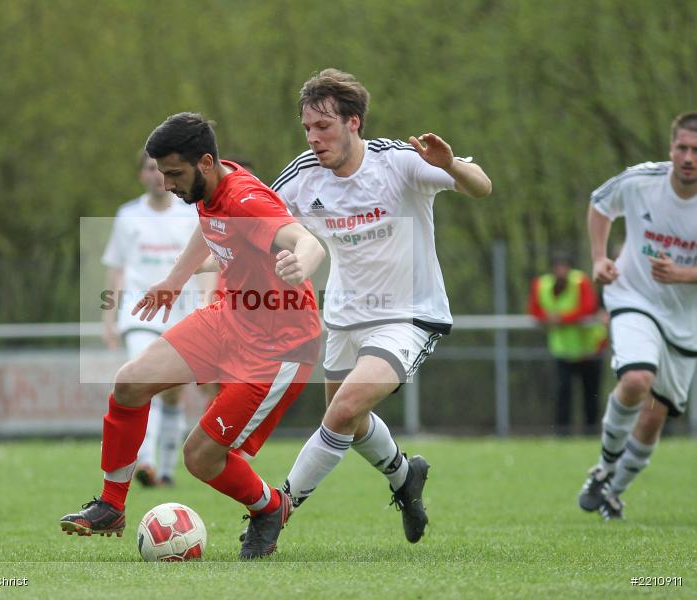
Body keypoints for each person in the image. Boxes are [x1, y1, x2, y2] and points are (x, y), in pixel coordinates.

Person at [61, 112, 326, 560]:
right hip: (231, 318)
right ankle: (112, 504)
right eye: (162, 174)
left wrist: (302, 261)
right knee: (129, 383)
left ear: (205, 162)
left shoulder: (247, 200)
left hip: (278, 345)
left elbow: (307, 240)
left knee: (200, 458)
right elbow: (210, 233)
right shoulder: (209, 190)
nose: (166, 184)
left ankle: (270, 508)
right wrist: (174, 279)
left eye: (174, 174)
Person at [270, 68, 492, 544]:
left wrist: (452, 165)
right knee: (346, 419)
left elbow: (482, 186)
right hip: (346, 316)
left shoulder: (400, 161)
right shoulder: (302, 175)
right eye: (307, 128)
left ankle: (278, 510)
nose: (313, 138)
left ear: (354, 123)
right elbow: (254, 218)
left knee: (343, 409)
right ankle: (403, 477)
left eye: (323, 126)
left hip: (408, 315)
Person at [578, 111, 697, 520]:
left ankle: (614, 491)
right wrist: (598, 258)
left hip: (685, 320)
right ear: (671, 148)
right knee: (636, 379)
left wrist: (684, 274)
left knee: (653, 417)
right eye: (682, 147)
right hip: (634, 297)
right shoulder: (640, 181)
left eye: (696, 151)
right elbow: (599, 205)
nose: (688, 157)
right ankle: (604, 467)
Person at [102, 152, 212, 487]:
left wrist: (206, 301)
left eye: (162, 169)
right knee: (140, 379)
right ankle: (144, 462)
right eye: (150, 169)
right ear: (142, 176)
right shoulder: (128, 216)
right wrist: (108, 316)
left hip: (180, 312)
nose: (157, 175)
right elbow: (117, 269)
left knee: (173, 394)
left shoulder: (190, 213)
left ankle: (164, 471)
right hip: (138, 312)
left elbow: (206, 259)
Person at [527, 253, 608, 435]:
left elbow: (588, 308)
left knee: (591, 394)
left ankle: (591, 431)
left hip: (589, 348)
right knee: (562, 393)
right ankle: (562, 432)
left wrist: (561, 319)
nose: (560, 271)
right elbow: (534, 310)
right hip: (563, 350)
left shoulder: (580, 281)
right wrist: (547, 319)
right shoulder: (542, 284)